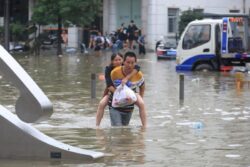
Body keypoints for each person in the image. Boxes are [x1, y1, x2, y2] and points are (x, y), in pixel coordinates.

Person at [96, 52, 146, 127]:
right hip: (114, 91)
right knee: (101, 104)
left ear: (122, 61)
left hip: (131, 92)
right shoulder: (110, 70)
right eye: (116, 60)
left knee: (141, 103)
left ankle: (144, 127)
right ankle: (97, 125)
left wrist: (127, 78)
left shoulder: (133, 69)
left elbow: (137, 68)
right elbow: (108, 86)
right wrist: (119, 94)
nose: (118, 62)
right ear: (112, 61)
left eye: (119, 60)